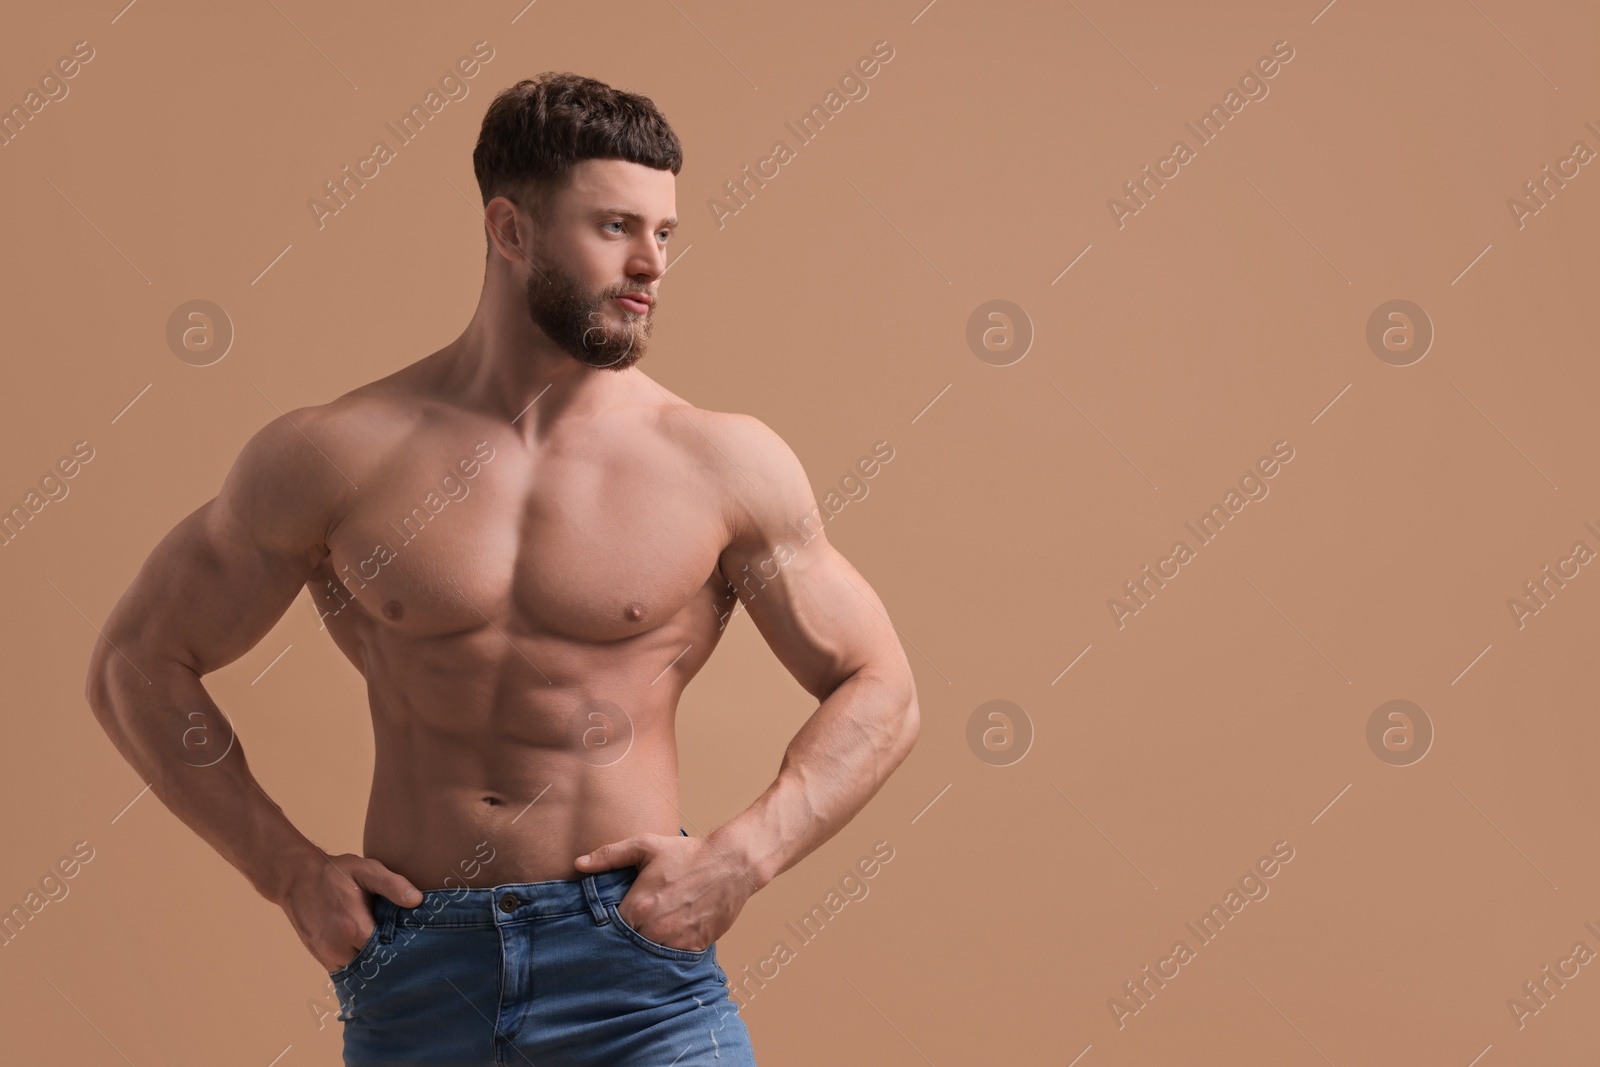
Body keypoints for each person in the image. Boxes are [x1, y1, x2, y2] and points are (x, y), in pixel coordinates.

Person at [83, 71, 919, 1066]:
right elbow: (136, 663)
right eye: (615, 227)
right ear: (510, 229)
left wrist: (742, 856)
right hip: (414, 964)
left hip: (635, 970)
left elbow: (884, 690)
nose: (650, 262)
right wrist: (286, 868)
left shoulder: (718, 461)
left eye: (665, 233)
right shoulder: (336, 453)